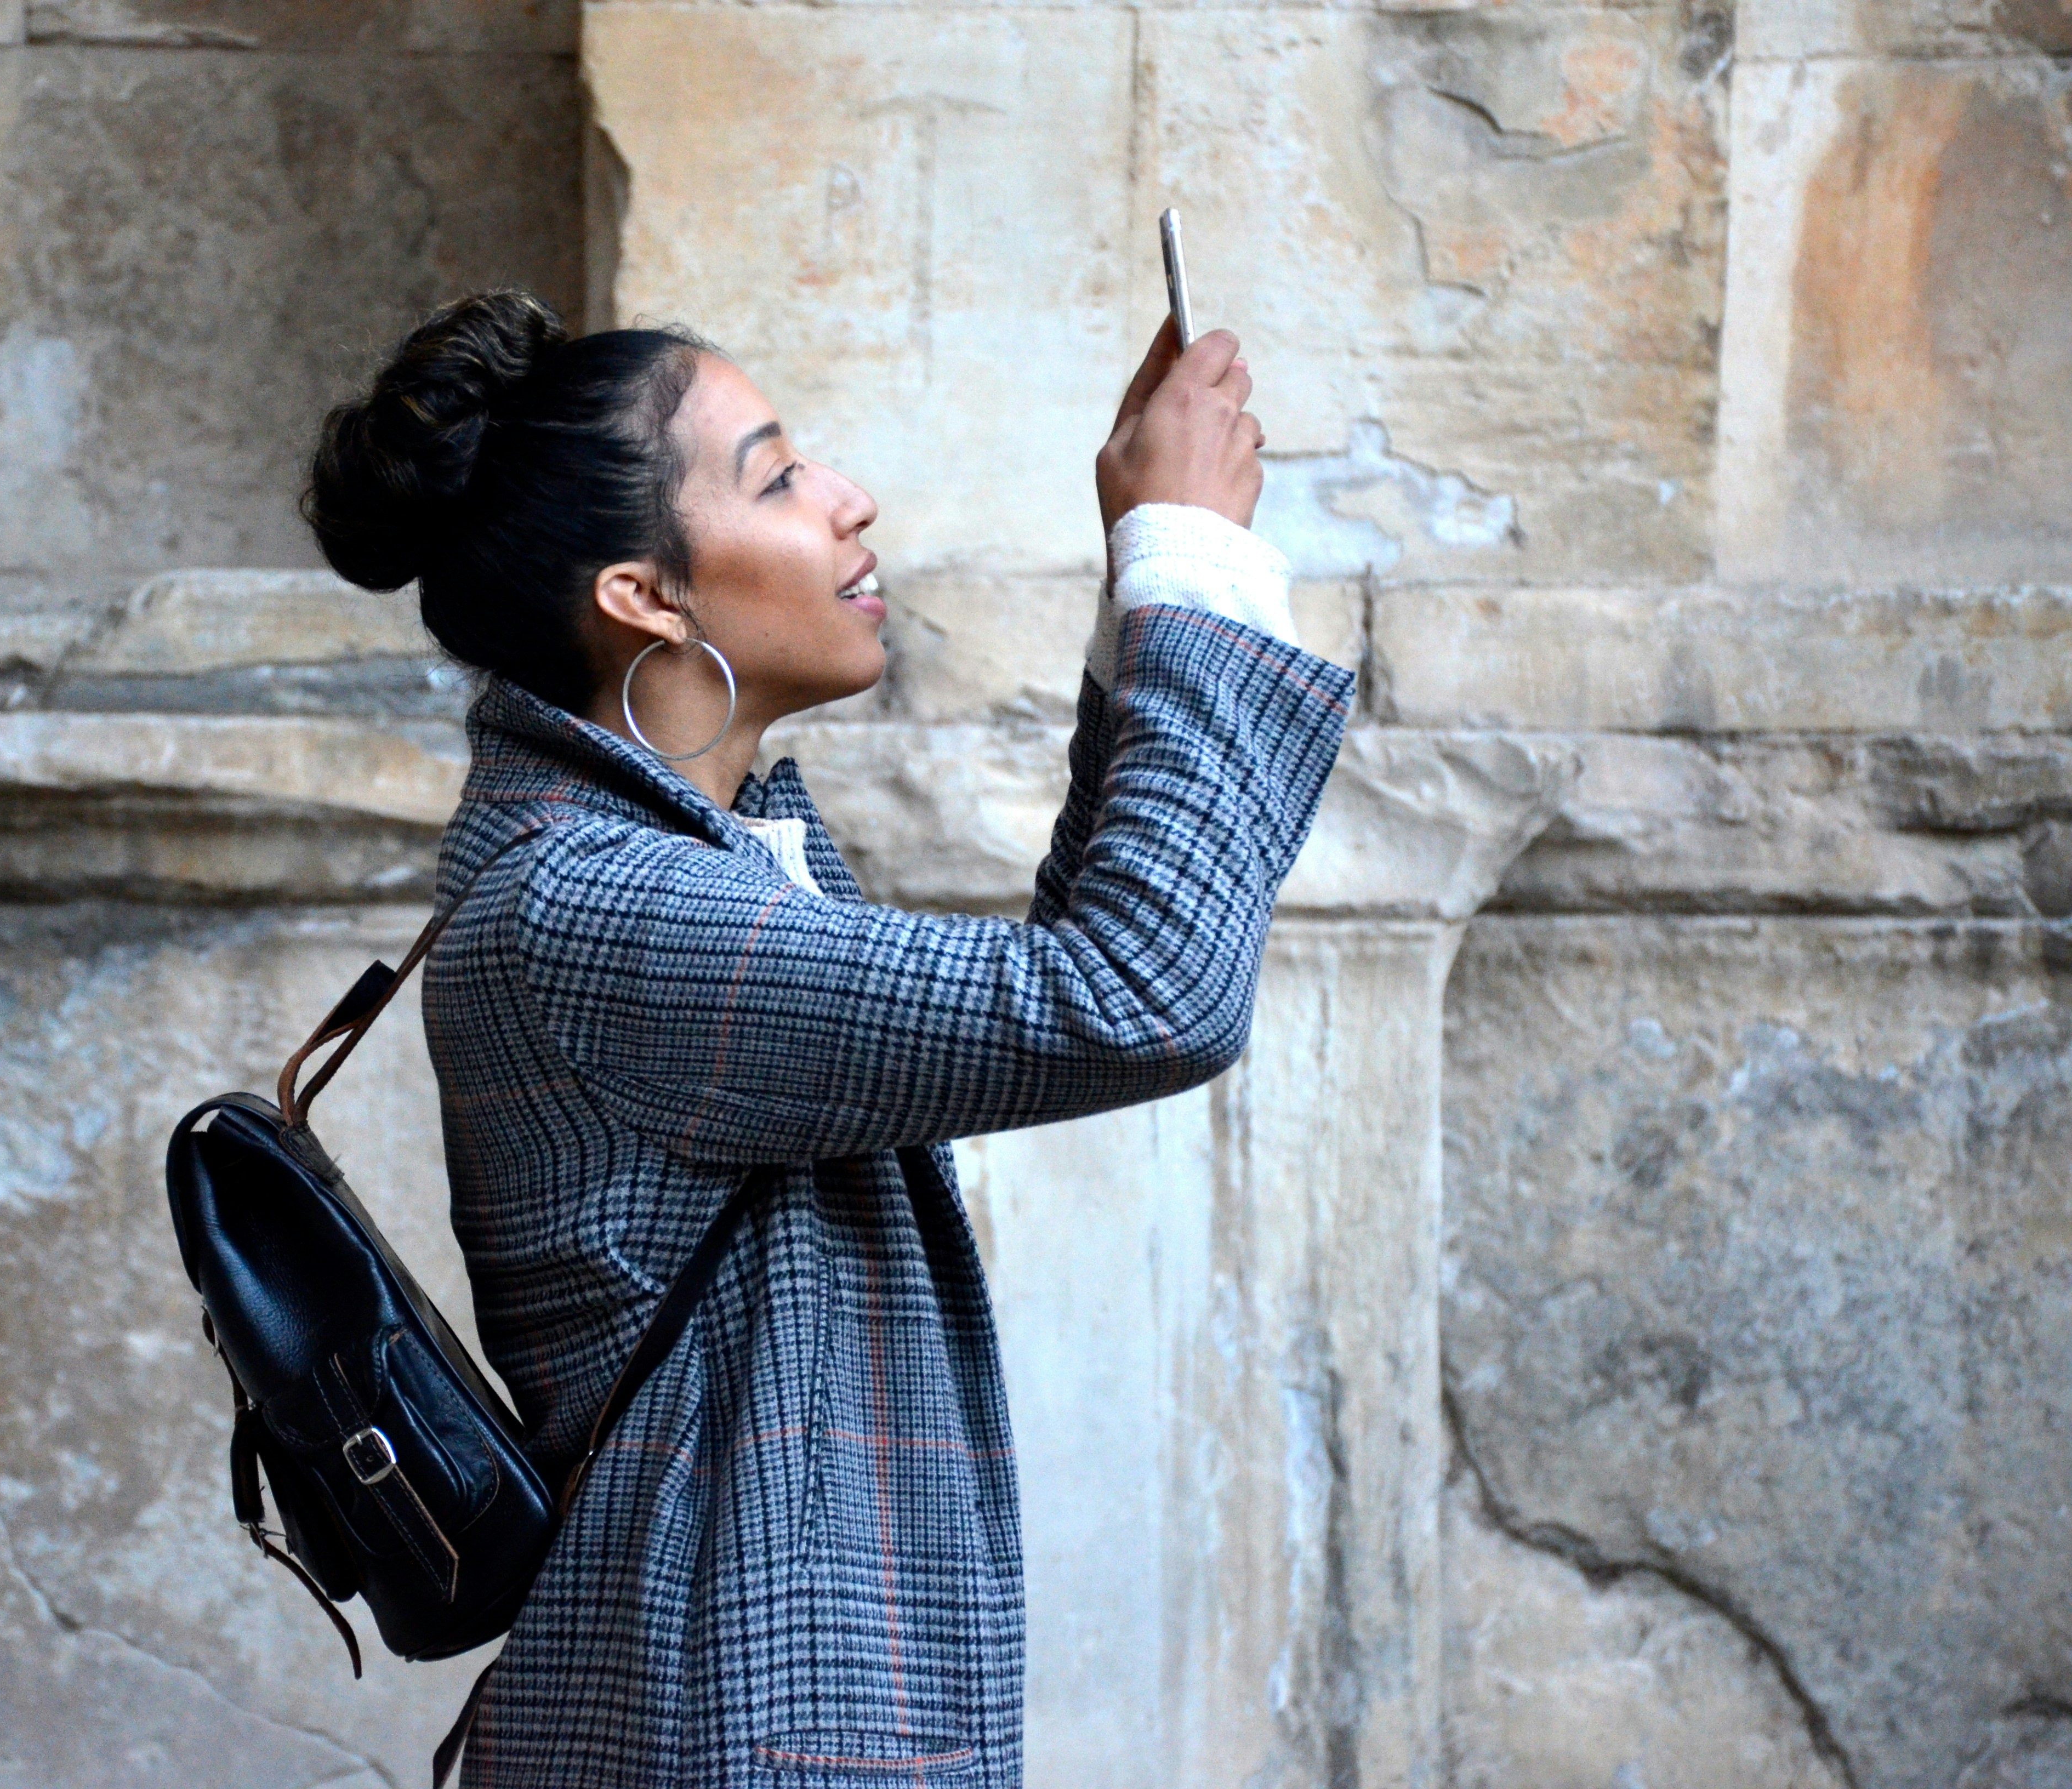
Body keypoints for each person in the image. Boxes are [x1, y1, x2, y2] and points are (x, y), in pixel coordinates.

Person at [304, 289, 1349, 1788]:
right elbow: (1142, 992)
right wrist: (1189, 557)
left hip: (751, 1700)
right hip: (740, 1723)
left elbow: (1081, 983)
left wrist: (1151, 579)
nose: (848, 499)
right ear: (646, 598)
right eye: (779, 477)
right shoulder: (600, 908)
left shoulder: (695, 853)